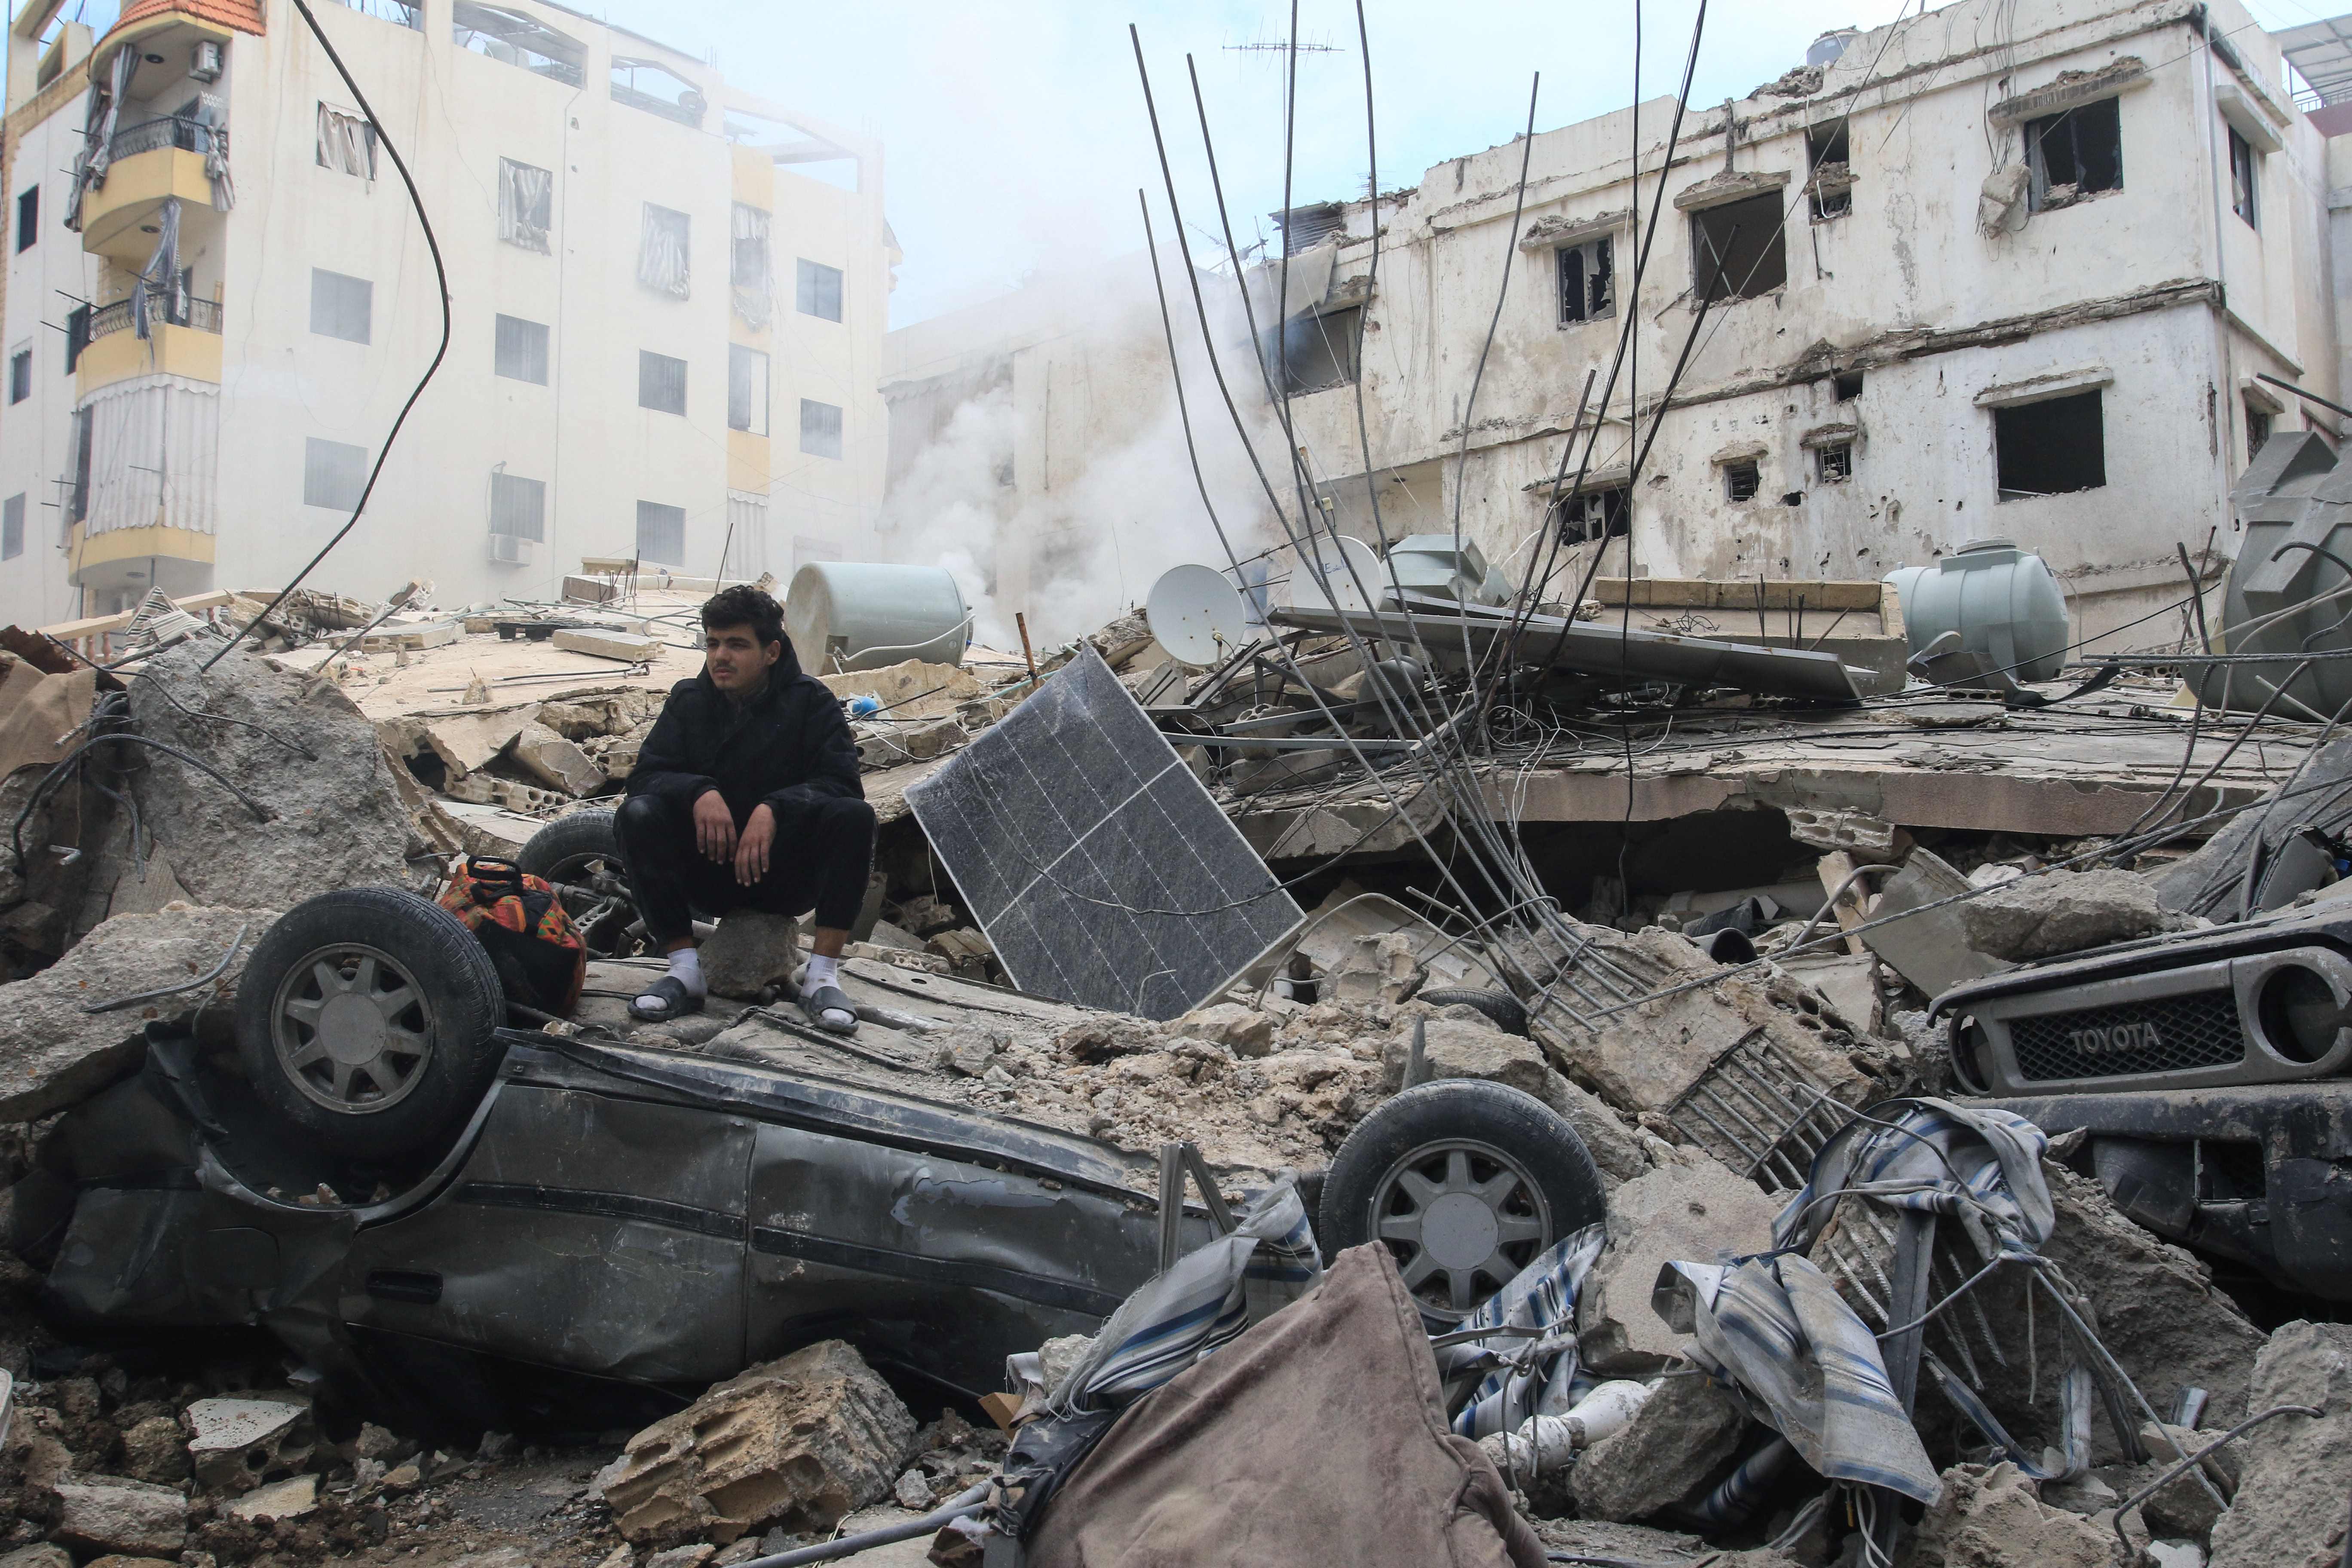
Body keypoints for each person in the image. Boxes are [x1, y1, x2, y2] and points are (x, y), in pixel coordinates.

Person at [615, 584, 873, 1033]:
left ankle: (822, 978)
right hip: (709, 873)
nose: (720, 656)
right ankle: (684, 971)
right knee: (638, 813)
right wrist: (699, 791)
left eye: (737, 645)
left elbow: (843, 785)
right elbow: (646, 777)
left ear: (772, 652)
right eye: (713, 643)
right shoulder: (688, 701)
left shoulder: (812, 703)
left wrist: (776, 808)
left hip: (785, 877)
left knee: (854, 818)